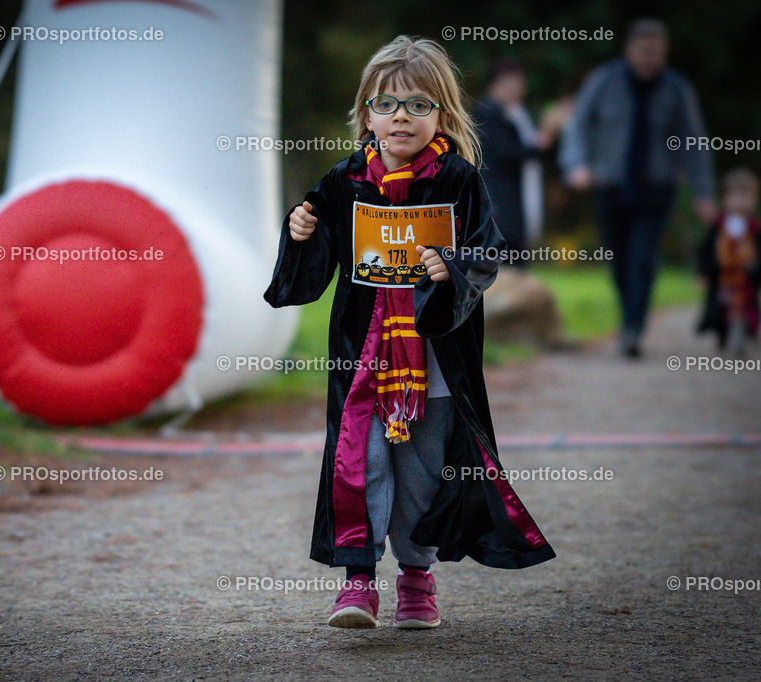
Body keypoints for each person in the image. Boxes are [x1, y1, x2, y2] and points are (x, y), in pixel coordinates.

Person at [263, 36, 555, 630]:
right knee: (361, 462)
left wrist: (453, 266)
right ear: (366, 115)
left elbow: (486, 254)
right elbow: (311, 268)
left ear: (441, 115)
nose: (402, 116)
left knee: (423, 472)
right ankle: (360, 582)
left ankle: (417, 578)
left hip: (437, 360)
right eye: (388, 104)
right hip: (362, 355)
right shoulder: (343, 181)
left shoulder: (460, 181)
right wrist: (298, 233)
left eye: (419, 105)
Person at [559, 18, 716, 358]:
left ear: (664, 53)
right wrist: (576, 165)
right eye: (643, 51)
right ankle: (629, 317)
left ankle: (632, 328)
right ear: (629, 50)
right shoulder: (605, 80)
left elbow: (694, 141)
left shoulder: (676, 89)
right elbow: (578, 124)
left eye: (656, 52)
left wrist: (703, 192)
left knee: (642, 258)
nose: (649, 58)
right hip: (611, 185)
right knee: (618, 259)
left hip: (657, 188)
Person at [472, 58, 567, 259]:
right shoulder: (487, 113)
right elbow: (507, 153)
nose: (522, 88)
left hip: (509, 200)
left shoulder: (512, 113)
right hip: (498, 201)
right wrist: (545, 137)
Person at [697, 168, 761, 355]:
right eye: (735, 195)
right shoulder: (719, 226)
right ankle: (724, 334)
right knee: (720, 308)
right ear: (725, 197)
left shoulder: (754, 228)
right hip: (723, 278)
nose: (739, 201)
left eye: (745, 195)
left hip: (746, 279)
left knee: (746, 308)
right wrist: (704, 272)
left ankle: (741, 335)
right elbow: (706, 250)